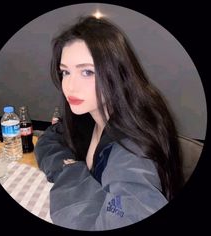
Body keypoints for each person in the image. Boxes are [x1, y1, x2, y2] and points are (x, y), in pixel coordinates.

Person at [34, 16, 184, 231]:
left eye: (87, 72)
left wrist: (71, 173)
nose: (70, 86)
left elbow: (125, 216)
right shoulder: (88, 113)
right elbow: (50, 137)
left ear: (118, 72)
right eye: (65, 71)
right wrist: (67, 164)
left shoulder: (133, 144)